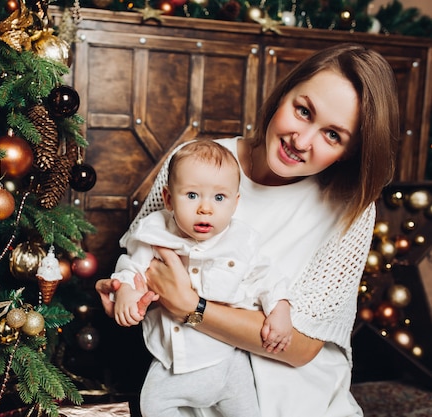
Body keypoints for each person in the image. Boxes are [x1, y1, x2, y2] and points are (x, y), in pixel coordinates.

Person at [95, 42, 399, 417]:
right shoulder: (192, 163)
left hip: (298, 400)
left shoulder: (350, 205)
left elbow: (302, 347)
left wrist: (192, 306)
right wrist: (124, 291)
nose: (301, 142)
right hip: (194, 388)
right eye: (303, 111)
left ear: (350, 152)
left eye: (333, 135)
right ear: (284, 92)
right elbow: (148, 264)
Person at [111, 139, 292, 417]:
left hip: (230, 360)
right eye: (192, 195)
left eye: (219, 198)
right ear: (169, 199)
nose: (205, 208)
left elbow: (267, 279)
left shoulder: (242, 241)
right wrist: (125, 291)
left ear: (235, 203)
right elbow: (131, 267)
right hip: (174, 363)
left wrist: (280, 309)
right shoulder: (154, 231)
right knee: (152, 404)